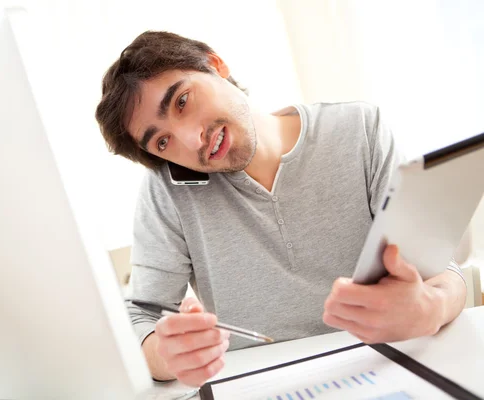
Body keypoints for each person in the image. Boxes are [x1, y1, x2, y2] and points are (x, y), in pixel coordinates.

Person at [95, 31, 467, 388]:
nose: (193, 141)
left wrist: (429, 307)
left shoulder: (360, 130)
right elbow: (141, 316)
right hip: (267, 385)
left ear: (215, 64)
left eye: (182, 101)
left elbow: (442, 275)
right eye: (162, 141)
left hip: (383, 368)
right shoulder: (169, 191)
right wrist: (165, 356)